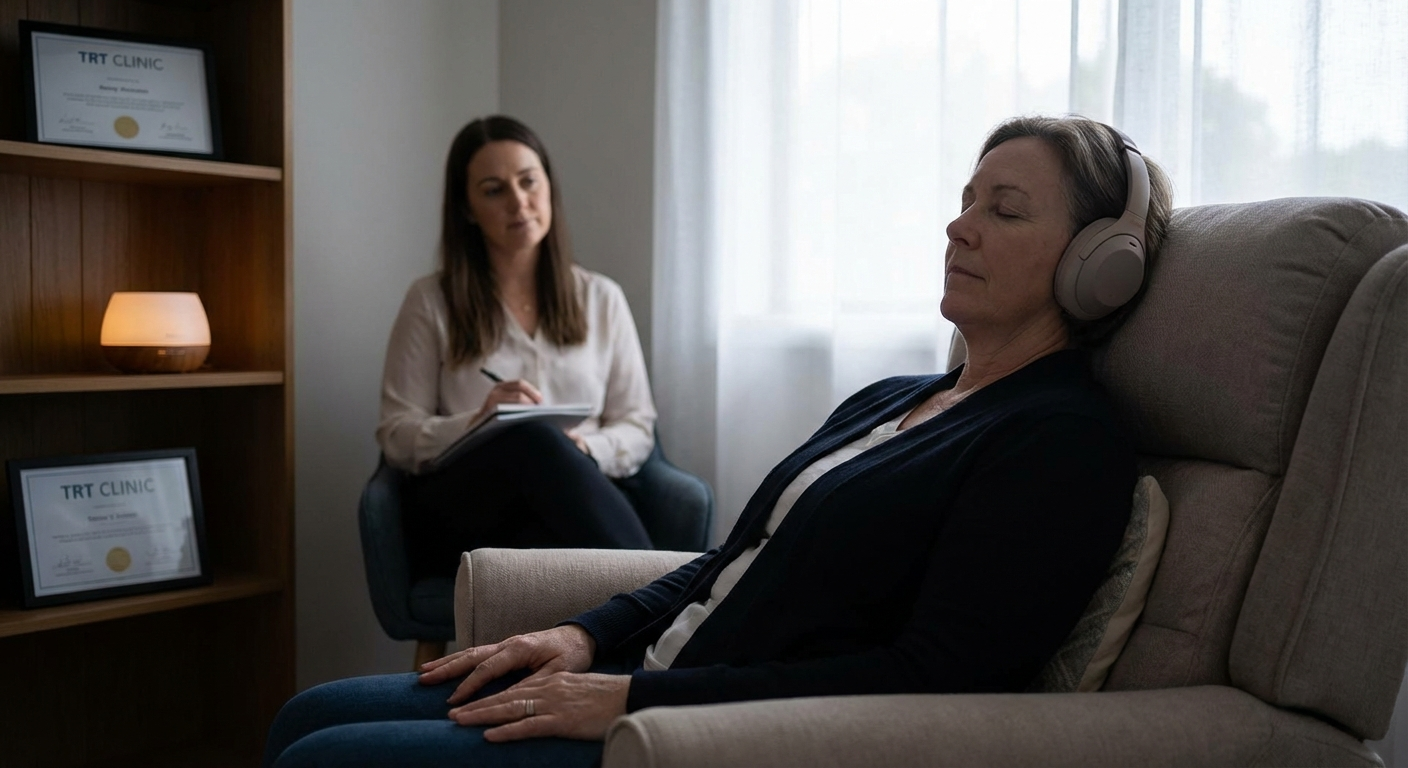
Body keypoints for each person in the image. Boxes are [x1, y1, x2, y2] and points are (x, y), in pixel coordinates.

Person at [265, 114, 1176, 768]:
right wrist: (585, 637)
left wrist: (629, 700)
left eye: (1005, 210)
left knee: (324, 754)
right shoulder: (893, 399)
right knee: (304, 717)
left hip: (695, 725)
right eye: (964, 199)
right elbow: (730, 557)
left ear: (1097, 266)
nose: (957, 224)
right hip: (644, 672)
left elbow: (938, 676)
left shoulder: (1059, 442)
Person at [377, 115, 659, 578]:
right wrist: (478, 422)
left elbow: (637, 425)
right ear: (467, 208)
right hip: (469, 512)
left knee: (550, 525)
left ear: (548, 185)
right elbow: (396, 435)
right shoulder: (430, 301)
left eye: (529, 181)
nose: (519, 202)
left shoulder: (600, 297)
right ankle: (671, 610)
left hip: (574, 507)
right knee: (530, 439)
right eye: (494, 190)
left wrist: (584, 451)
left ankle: (636, 618)